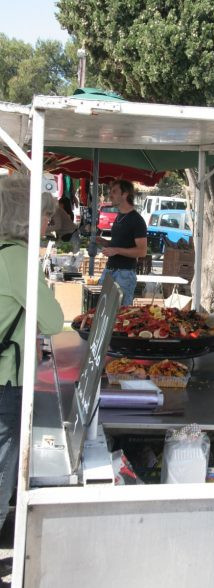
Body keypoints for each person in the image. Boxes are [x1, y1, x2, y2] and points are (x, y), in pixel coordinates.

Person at [0, 175, 64, 562]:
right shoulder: (18, 259)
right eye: (45, 216)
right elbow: (55, 320)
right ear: (27, 218)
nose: (48, 225)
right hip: (6, 381)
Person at [96, 179, 147, 306]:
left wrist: (116, 250)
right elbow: (119, 244)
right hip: (110, 271)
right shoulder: (119, 216)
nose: (110, 195)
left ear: (125, 194)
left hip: (125, 274)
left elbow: (142, 251)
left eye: (114, 191)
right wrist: (105, 243)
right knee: (102, 309)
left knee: (121, 313)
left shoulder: (137, 220)